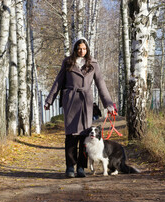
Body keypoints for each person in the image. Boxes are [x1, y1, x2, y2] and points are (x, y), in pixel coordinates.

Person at [44, 37, 114, 178]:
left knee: (84, 136)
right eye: (79, 48)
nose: (82, 51)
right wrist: (49, 100)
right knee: (71, 136)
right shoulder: (68, 62)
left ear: (87, 49)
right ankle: (70, 167)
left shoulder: (93, 63)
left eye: (84, 49)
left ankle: (81, 167)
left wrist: (108, 104)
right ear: (75, 49)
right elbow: (58, 82)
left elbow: (101, 84)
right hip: (70, 101)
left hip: (85, 102)